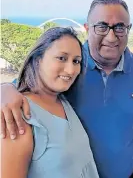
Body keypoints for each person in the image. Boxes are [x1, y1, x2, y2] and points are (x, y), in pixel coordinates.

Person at [0, 0, 133, 178]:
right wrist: (4, 89)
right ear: (87, 28)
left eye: (120, 27)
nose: (111, 37)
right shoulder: (67, 70)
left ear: (129, 29)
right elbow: (28, 86)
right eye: (102, 26)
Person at [1, 27, 99, 178]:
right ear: (38, 59)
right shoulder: (18, 114)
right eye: (62, 58)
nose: (71, 70)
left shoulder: (63, 102)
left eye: (76, 61)